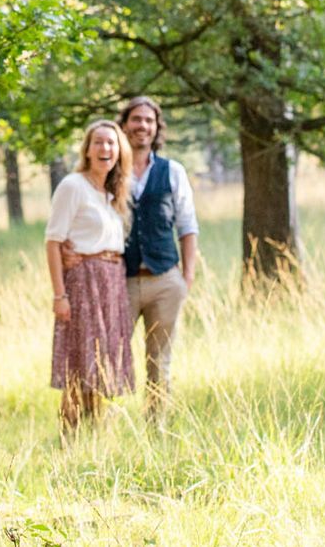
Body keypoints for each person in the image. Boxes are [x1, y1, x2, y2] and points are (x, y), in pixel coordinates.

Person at [45, 120, 135, 430]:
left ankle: (95, 433)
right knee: (79, 360)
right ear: (87, 149)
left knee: (102, 362)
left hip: (112, 282)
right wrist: (60, 294)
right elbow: (53, 241)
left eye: (111, 143)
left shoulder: (111, 195)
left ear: (119, 152)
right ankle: (69, 438)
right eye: (98, 142)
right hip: (84, 282)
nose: (105, 149)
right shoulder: (74, 186)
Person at [117, 95, 198, 412]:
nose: (142, 126)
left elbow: (188, 226)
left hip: (164, 279)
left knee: (159, 362)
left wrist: (186, 278)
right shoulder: (111, 169)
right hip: (120, 280)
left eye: (149, 121)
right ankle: (105, 431)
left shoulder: (173, 171)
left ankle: (157, 430)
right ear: (124, 125)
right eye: (136, 119)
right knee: (110, 354)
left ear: (156, 128)